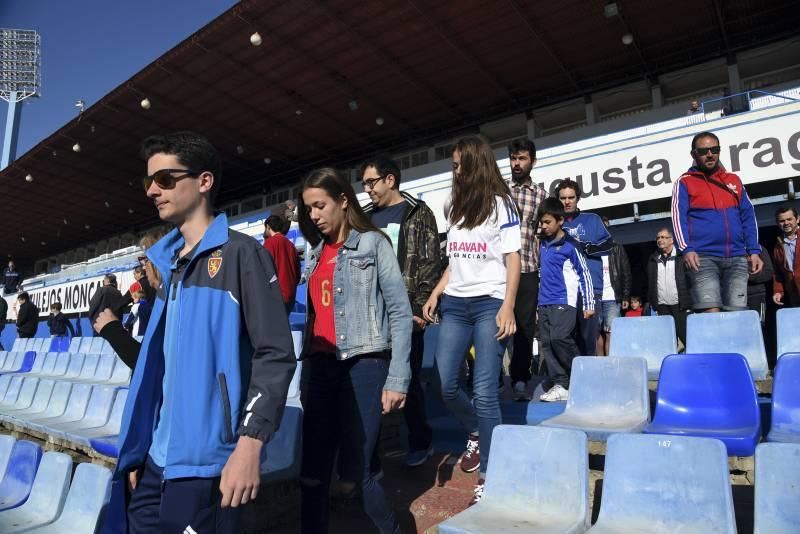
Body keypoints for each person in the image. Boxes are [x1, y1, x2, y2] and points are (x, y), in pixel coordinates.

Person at [108, 131, 296, 534]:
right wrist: (141, 451)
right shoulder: (168, 265)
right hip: (157, 461)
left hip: (210, 464)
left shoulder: (243, 254)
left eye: (165, 179)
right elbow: (159, 369)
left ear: (204, 181)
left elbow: (275, 353)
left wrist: (250, 443)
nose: (152, 191)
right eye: (148, 182)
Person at [297, 167, 411, 534]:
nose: (314, 216)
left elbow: (399, 311)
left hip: (363, 365)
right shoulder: (313, 254)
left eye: (320, 206)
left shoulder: (373, 244)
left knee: (357, 470)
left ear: (343, 201)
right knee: (312, 471)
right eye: (309, 208)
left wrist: (398, 376)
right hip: (320, 367)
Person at [422, 137, 521, 505]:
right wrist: (436, 291)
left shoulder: (501, 204)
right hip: (455, 304)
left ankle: (489, 474)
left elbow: (513, 258)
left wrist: (508, 305)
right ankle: (476, 431)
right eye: (454, 164)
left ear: (478, 164)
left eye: (461, 164)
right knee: (445, 382)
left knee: (484, 391)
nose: (456, 170)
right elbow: (457, 259)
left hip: (490, 302)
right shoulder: (453, 206)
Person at [361, 155, 440, 467]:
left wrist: (420, 308)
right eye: (365, 183)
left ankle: (421, 441)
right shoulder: (364, 217)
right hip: (369, 313)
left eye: (371, 182)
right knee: (370, 384)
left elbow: (430, 260)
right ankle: (373, 458)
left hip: (405, 312)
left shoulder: (417, 212)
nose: (367, 189)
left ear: (390, 179)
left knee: (405, 379)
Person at [672, 131, 763, 312]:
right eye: (704, 151)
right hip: (703, 258)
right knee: (711, 313)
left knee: (737, 313)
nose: (710, 154)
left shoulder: (734, 180)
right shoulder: (684, 182)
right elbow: (677, 218)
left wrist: (753, 250)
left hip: (737, 257)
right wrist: (687, 249)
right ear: (694, 154)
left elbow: (748, 216)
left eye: (715, 149)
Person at [536, 197, 594, 402]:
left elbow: (584, 274)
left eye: (547, 222)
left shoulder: (570, 245)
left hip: (564, 301)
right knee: (546, 344)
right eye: (541, 222)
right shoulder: (541, 244)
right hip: (543, 303)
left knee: (559, 338)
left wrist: (588, 304)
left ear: (560, 220)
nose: (543, 226)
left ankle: (582, 374)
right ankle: (561, 384)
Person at [506, 139, 547, 401]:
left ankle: (520, 379)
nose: (516, 163)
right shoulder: (500, 191)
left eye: (521, 158)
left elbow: (543, 234)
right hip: (498, 268)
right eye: (513, 158)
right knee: (494, 323)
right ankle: (494, 378)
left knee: (524, 326)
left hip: (529, 267)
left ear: (532, 161)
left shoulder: (541, 196)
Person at [557, 179, 613, 355]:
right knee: (565, 337)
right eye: (563, 198)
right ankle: (570, 377)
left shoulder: (593, 219)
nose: (567, 201)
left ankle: (590, 376)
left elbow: (609, 245)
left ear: (578, 198)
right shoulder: (554, 223)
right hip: (563, 290)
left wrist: (587, 247)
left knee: (589, 337)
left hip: (590, 288)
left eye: (571, 197)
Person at [647, 228, 692, 346]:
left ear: (672, 240)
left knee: (687, 337)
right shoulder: (653, 259)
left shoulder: (681, 256)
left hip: (680, 304)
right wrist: (653, 303)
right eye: (658, 238)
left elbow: (691, 279)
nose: (660, 240)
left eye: (663, 237)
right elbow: (651, 282)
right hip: (662, 306)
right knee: (668, 341)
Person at [597, 217, 631, 356]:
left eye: (605, 227)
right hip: (595, 297)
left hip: (613, 297)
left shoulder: (617, 247)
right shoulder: (589, 249)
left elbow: (626, 272)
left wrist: (625, 296)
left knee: (610, 332)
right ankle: (599, 364)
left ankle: (610, 365)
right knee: (595, 333)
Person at [263, 214, 302, 314]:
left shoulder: (269, 243)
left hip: (275, 296)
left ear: (268, 227)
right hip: (290, 296)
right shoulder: (291, 246)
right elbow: (298, 275)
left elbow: (264, 270)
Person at [773, 205, 800, 307]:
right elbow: (778, 272)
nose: (786, 223)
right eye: (782, 221)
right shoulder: (778, 245)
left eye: (789, 219)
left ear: (797, 219)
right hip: (795, 295)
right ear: (777, 223)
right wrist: (778, 291)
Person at [748, 245, 774, 325]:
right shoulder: (731, 248)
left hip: (757, 296)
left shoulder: (760, 249)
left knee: (759, 325)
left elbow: (769, 273)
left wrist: (749, 277)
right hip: (735, 297)